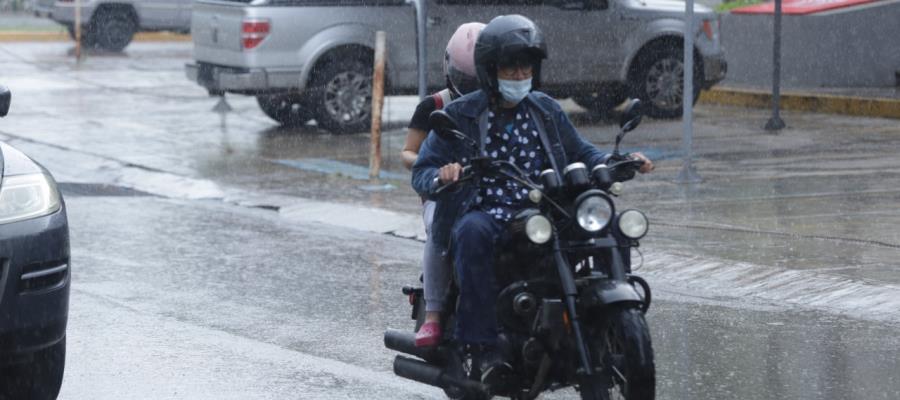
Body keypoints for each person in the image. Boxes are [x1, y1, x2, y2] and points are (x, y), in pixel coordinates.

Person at [411, 14, 654, 384]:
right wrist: (443, 175)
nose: (519, 75)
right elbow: (421, 171)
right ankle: (484, 346)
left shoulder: (545, 109)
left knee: (608, 223)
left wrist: (618, 161)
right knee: (470, 233)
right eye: (510, 68)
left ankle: (606, 317)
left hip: (545, 208)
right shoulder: (459, 115)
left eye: (526, 67)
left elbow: (583, 151)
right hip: (487, 210)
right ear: (490, 70)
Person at [401, 22, 486, 348]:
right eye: (467, 80)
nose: (474, 88)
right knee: (441, 227)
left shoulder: (509, 106)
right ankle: (434, 314)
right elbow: (409, 153)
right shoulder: (435, 105)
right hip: (445, 190)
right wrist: (436, 166)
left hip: (492, 187)